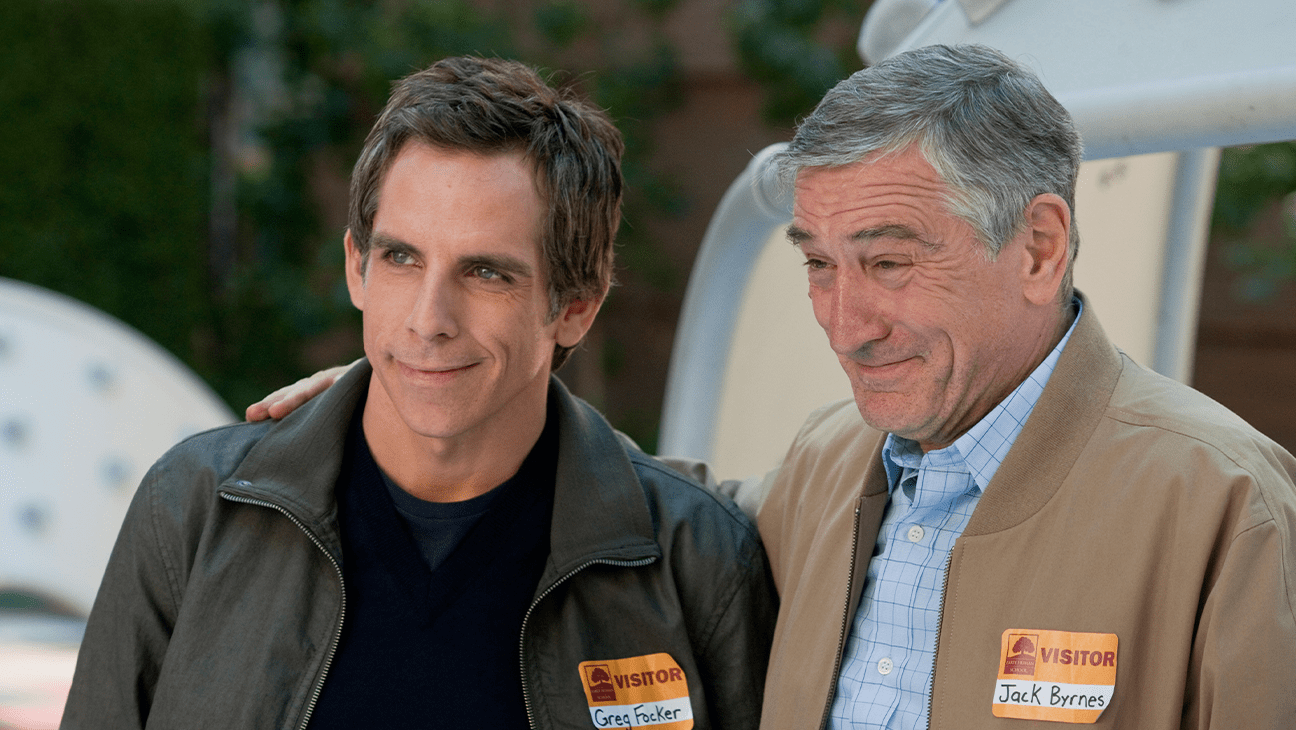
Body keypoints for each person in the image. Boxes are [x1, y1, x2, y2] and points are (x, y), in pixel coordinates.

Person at [249, 45, 1296, 729]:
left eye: (889, 262)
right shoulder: (824, 471)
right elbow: (633, 510)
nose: (845, 320)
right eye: (819, 263)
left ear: (1039, 246)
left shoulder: (1227, 509)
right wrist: (437, 389)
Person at [63, 56, 776, 730]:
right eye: (401, 258)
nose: (428, 320)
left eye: (486, 274)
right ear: (357, 268)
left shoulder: (697, 560)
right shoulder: (194, 509)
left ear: (575, 308)